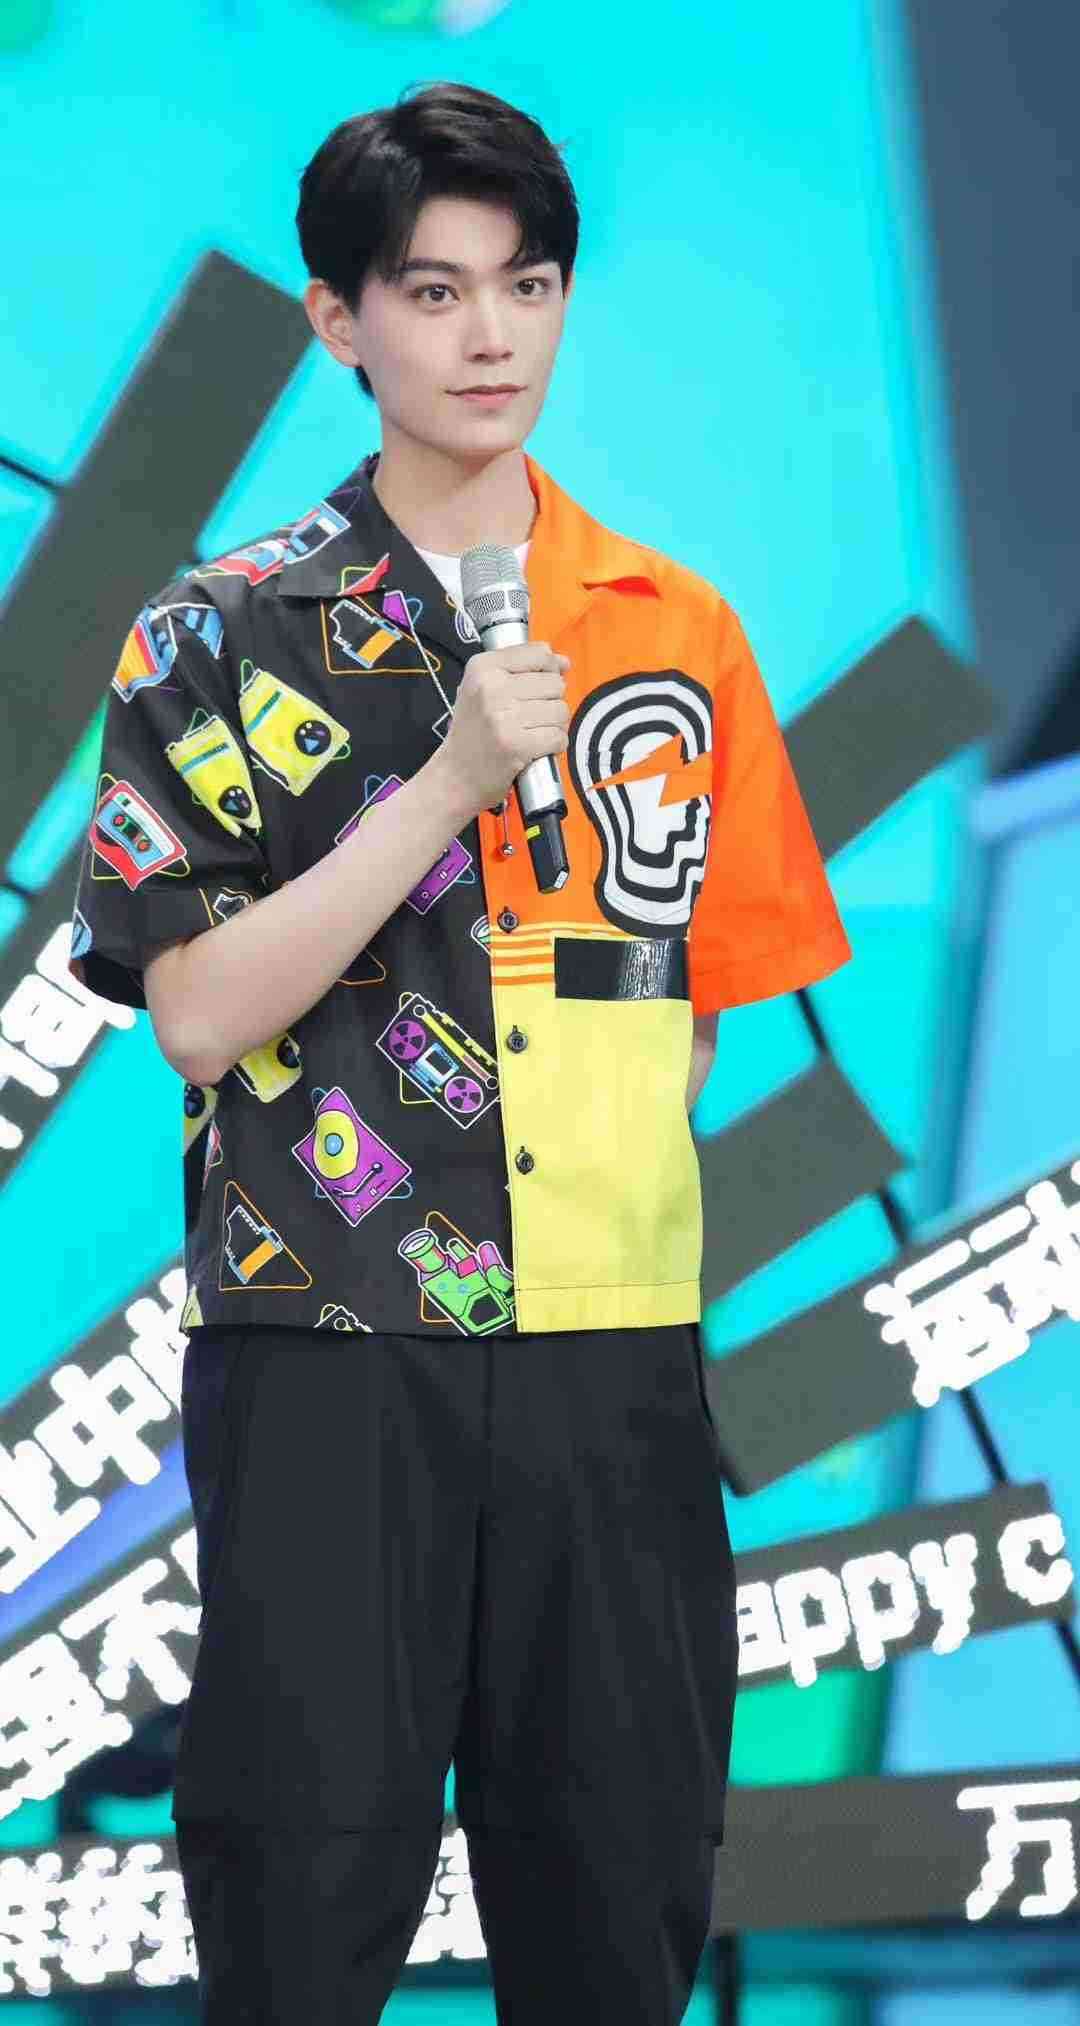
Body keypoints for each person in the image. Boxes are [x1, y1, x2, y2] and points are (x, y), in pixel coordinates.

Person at [66, 80, 852, 2024]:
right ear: (338, 319)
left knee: (621, 1897)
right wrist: (443, 787)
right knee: (299, 1896)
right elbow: (192, 1012)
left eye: (529, 284)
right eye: (432, 291)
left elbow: (691, 1012)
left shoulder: (675, 628)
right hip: (330, 1346)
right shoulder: (219, 632)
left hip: (611, 1361)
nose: (490, 335)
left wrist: (572, 1228)